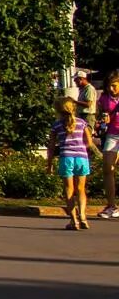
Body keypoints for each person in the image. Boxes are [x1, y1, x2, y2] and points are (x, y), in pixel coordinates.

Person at [55, 98, 92, 230]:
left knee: (69, 190)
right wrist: (82, 148)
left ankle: (73, 220)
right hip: (82, 158)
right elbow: (89, 141)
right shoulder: (82, 123)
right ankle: (83, 216)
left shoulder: (57, 125)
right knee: (81, 189)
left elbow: (51, 146)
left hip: (66, 158)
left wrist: (49, 164)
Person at [96, 76, 118, 221]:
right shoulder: (104, 98)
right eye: (110, 86)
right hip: (112, 134)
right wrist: (102, 120)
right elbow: (99, 116)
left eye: (115, 86)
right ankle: (112, 206)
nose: (111, 89)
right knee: (107, 168)